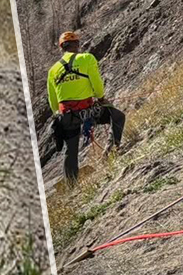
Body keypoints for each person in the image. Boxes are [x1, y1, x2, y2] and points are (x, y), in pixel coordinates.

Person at [47, 31, 127, 182]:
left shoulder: (52, 71)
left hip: (67, 115)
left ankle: (71, 185)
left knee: (71, 151)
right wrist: (101, 98)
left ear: (61, 48)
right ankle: (113, 150)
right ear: (77, 44)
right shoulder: (86, 58)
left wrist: (58, 115)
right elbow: (96, 82)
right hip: (88, 111)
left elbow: (53, 101)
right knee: (117, 117)